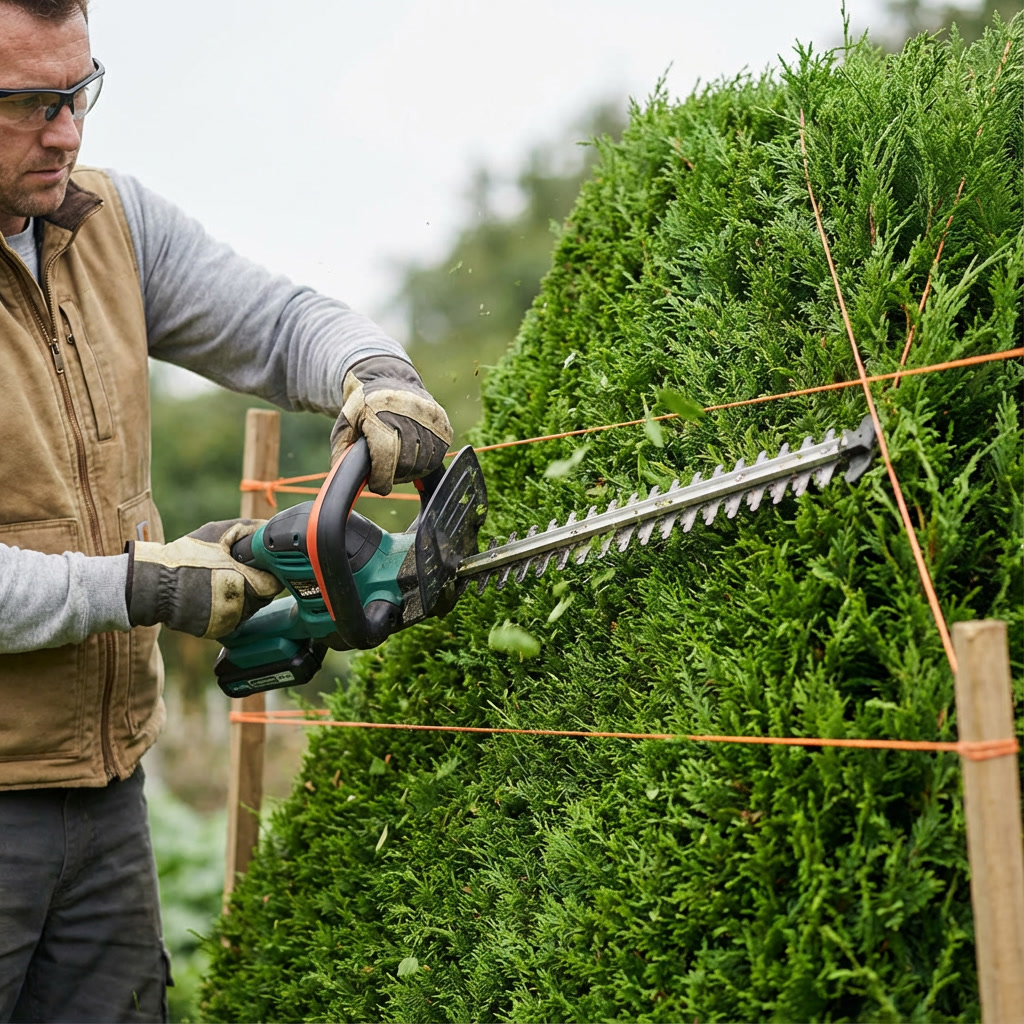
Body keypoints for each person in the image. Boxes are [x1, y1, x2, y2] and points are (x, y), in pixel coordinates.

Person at [0, 1, 452, 1020]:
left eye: (79, 93)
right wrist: (141, 583)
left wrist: (373, 374)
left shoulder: (108, 224)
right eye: (30, 103)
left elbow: (279, 320)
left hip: (104, 795)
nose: (66, 130)